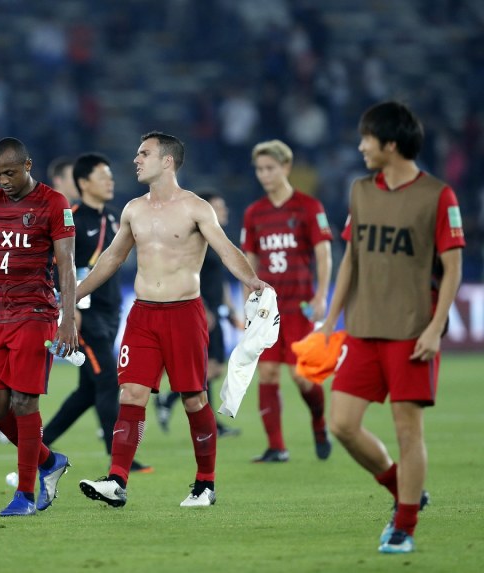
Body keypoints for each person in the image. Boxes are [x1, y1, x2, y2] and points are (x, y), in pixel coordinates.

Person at [76, 131, 270, 508]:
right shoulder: (133, 209)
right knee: (130, 393)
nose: (135, 159)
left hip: (184, 314)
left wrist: (252, 281)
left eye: (144, 153)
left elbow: (226, 249)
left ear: (167, 161)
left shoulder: (196, 208)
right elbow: (112, 260)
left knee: (194, 399)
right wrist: (73, 295)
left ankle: (205, 485)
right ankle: (117, 480)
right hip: (144, 315)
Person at [319, 101, 464, 554]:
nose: (361, 146)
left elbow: (453, 267)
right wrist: (329, 320)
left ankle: (404, 525)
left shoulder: (439, 195)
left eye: (367, 138)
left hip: (410, 331)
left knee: (408, 431)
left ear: (391, 144)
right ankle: (404, 489)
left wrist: (435, 327)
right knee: (341, 424)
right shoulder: (361, 191)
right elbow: (350, 261)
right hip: (363, 328)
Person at [0, 137, 77, 517]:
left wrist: (68, 318)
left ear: (28, 165)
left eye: (10, 172)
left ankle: (26, 495)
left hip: (36, 313)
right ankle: (48, 460)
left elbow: (66, 265)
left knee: (24, 402)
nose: (3, 181)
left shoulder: (54, 204)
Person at [42, 152, 151, 474]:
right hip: (85, 315)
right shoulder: (71, 217)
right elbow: (54, 264)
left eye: (111, 177)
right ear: (85, 182)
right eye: (103, 177)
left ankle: (38, 443)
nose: (110, 181)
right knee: (107, 380)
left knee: (88, 390)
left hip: (111, 310)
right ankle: (119, 457)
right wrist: (69, 309)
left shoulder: (116, 218)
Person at [241, 139, 333, 463]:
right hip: (268, 307)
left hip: (300, 305)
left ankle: (319, 424)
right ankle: (276, 446)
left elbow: (323, 253)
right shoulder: (254, 213)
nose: (264, 175)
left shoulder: (308, 207)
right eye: (259, 169)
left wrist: (322, 294)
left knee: (301, 377)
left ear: (286, 167)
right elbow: (248, 261)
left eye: (270, 168)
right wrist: (247, 305)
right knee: (266, 373)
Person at [154, 192, 242, 438]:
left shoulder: (217, 238)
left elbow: (220, 280)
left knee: (212, 368)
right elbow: (185, 273)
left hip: (216, 310)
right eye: (218, 206)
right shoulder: (196, 239)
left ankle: (169, 401)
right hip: (201, 310)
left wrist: (232, 310)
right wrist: (200, 304)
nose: (223, 210)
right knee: (205, 366)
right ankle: (210, 424)